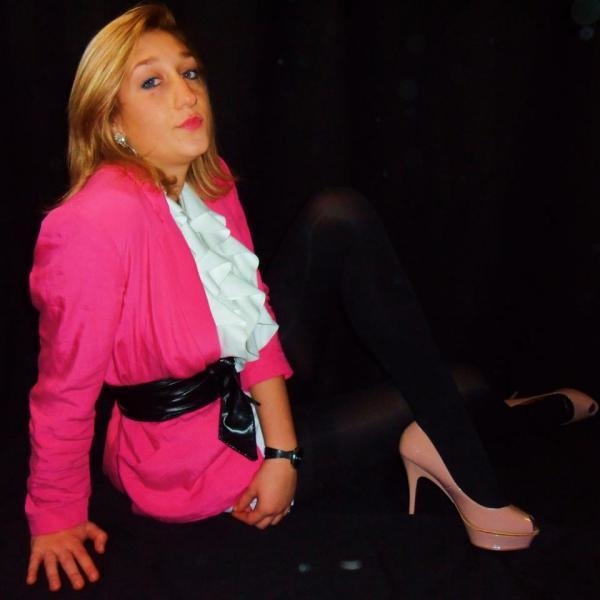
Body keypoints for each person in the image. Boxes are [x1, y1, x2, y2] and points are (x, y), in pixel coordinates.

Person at [25, 3, 597, 593]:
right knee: (462, 388)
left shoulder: (207, 181)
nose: (187, 94)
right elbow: (63, 390)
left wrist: (285, 450)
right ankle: (496, 450)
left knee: (339, 221)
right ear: (111, 120)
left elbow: (255, 318)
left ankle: (472, 430)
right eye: (152, 82)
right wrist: (55, 515)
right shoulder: (91, 225)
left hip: (248, 396)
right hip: (190, 464)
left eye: (189, 72)